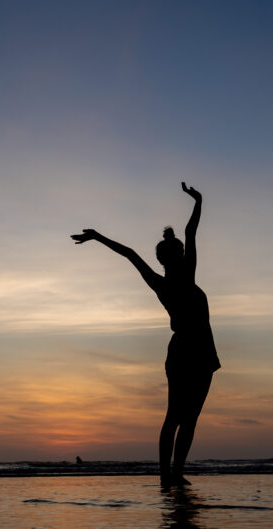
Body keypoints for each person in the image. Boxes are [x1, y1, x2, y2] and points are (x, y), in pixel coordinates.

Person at [72, 182, 220, 486]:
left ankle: (174, 474)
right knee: (178, 417)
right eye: (177, 253)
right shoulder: (175, 278)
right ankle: (169, 474)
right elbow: (180, 236)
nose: (181, 254)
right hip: (188, 352)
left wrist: (97, 236)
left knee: (185, 418)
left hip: (198, 351)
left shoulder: (164, 280)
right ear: (170, 257)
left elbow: (134, 252)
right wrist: (198, 201)